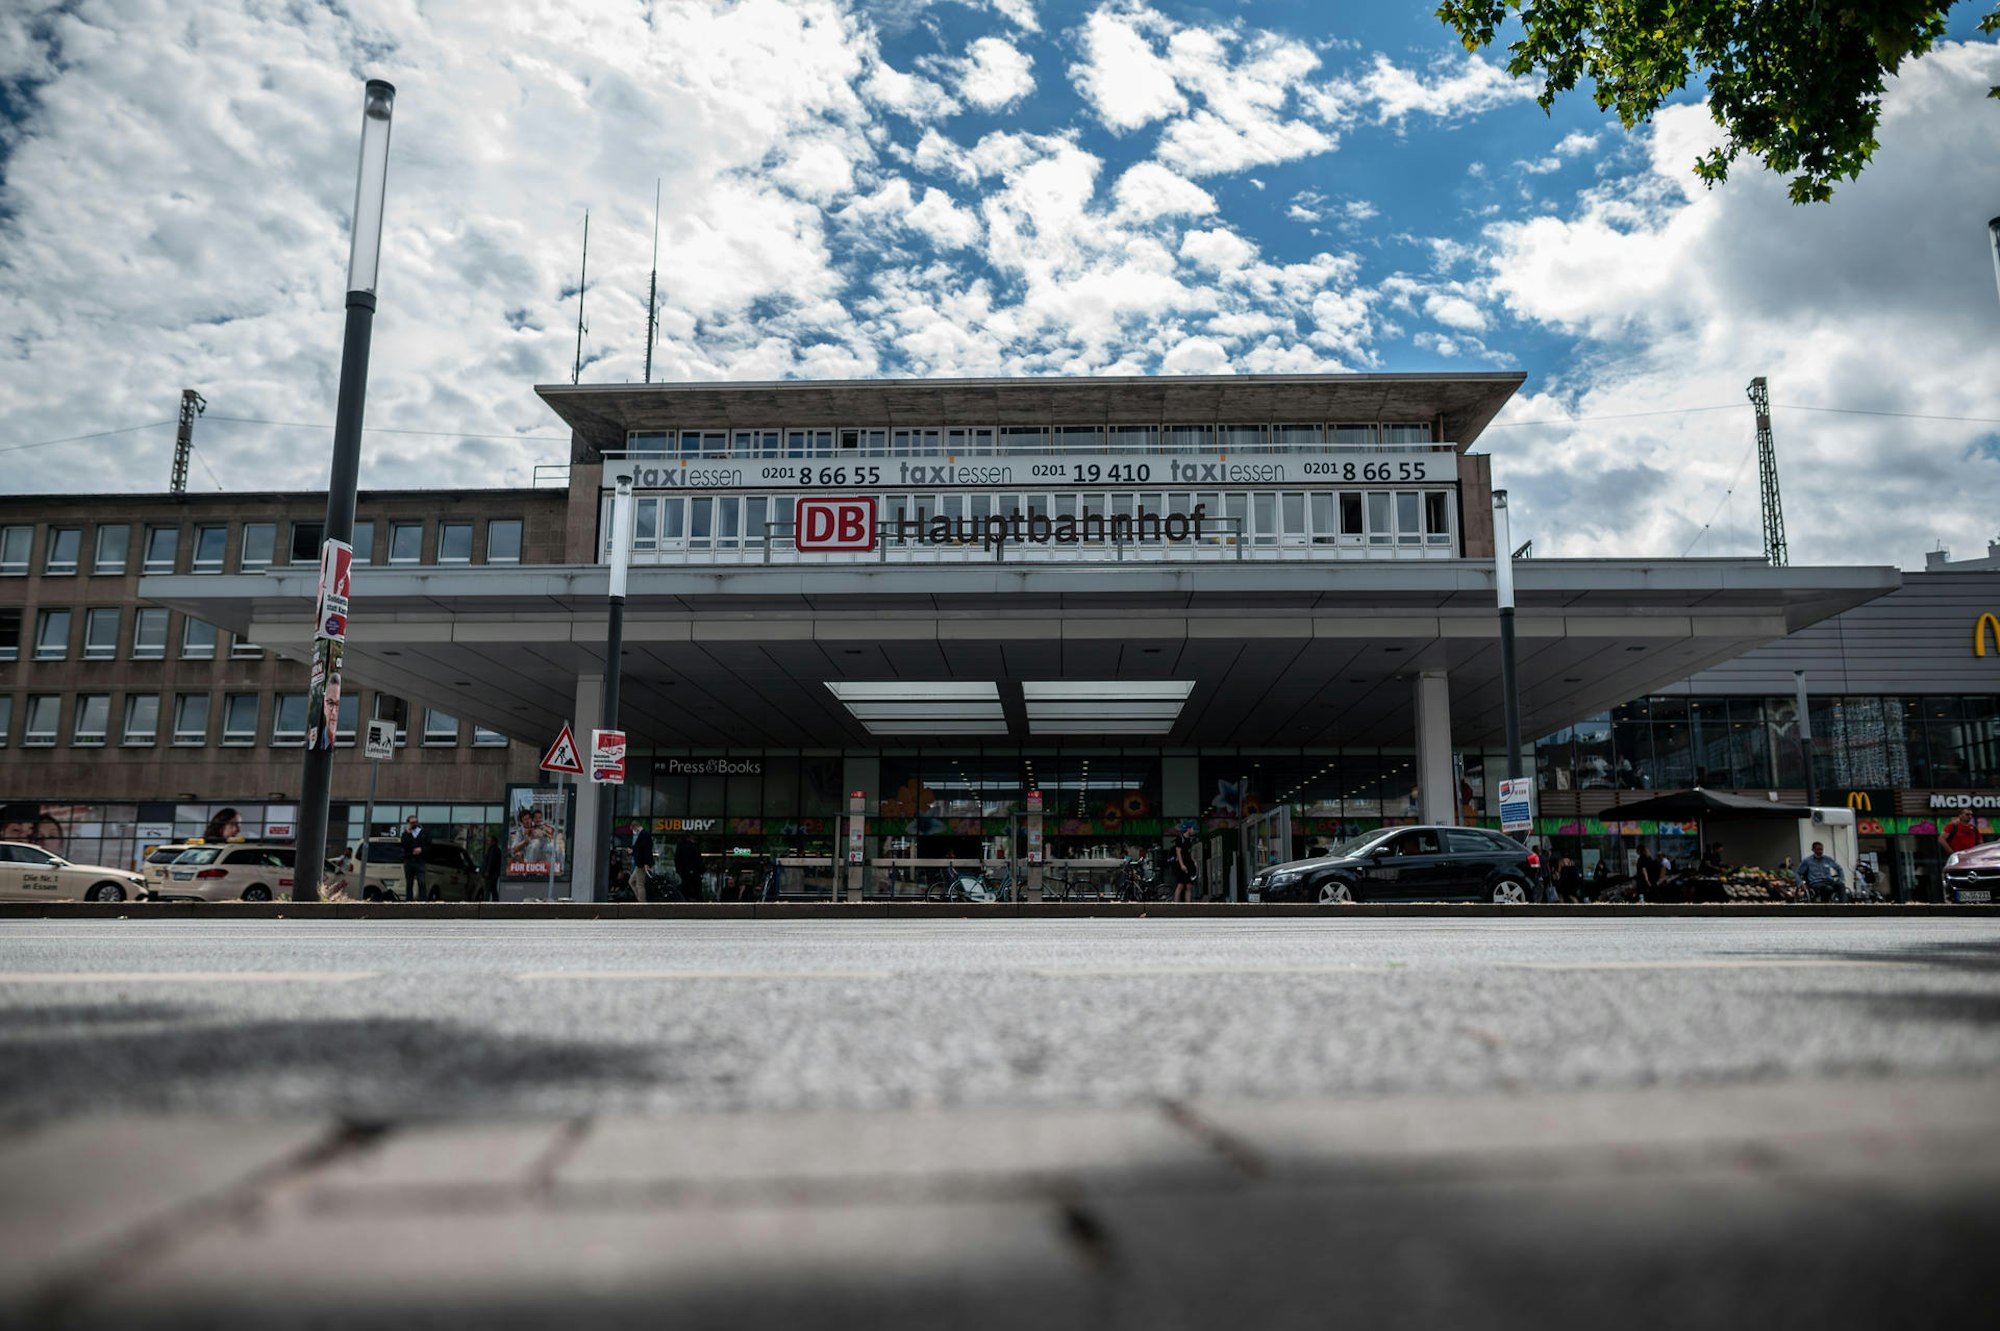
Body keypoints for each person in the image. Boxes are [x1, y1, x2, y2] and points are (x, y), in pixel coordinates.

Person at [401, 814, 429, 901]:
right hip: (409, 860)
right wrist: (408, 834)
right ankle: (409, 900)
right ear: (408, 823)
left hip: (420, 860)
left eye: (415, 822)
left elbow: (429, 845)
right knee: (409, 882)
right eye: (412, 822)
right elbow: (404, 845)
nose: (414, 824)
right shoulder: (405, 834)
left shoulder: (423, 833)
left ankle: (423, 900)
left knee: (421, 881)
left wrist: (421, 849)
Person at [631, 824, 657, 899]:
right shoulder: (643, 835)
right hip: (640, 863)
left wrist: (646, 863)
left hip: (641, 864)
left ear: (636, 827)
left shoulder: (644, 835)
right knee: (632, 881)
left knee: (640, 884)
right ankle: (640, 899)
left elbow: (646, 850)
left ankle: (642, 902)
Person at [1170, 830, 1195, 903]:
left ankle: (1188, 904)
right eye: (1192, 828)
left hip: (1189, 864)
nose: (1193, 830)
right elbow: (1178, 852)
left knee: (1189, 885)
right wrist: (1181, 864)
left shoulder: (1189, 840)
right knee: (1180, 885)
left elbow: (1190, 852)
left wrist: (1194, 861)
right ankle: (1176, 903)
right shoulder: (1180, 838)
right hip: (1182, 864)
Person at [675, 835, 702, 902]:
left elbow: (676, 860)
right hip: (694, 872)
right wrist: (700, 870)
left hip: (683, 873)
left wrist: (679, 870)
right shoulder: (694, 847)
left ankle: (685, 899)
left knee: (685, 888)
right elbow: (698, 860)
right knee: (696, 889)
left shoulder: (680, 847)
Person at [481, 837, 502, 902]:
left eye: (489, 841)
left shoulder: (493, 850)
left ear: (493, 842)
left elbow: (491, 861)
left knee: (487, 888)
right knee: (493, 888)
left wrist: (487, 871)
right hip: (494, 873)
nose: (488, 842)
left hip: (491, 874)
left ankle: (486, 901)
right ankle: (495, 901)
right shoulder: (495, 850)